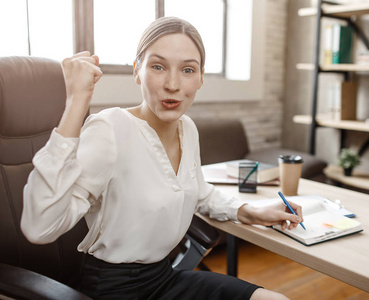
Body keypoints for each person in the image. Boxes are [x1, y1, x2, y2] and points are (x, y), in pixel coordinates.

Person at [21, 17, 303, 300]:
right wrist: (76, 102)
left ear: (201, 77)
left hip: (164, 279)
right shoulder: (111, 127)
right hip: (113, 288)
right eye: (158, 67)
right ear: (137, 71)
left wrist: (252, 211)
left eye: (188, 70)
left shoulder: (188, 129)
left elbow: (201, 194)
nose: (173, 84)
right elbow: (40, 226)